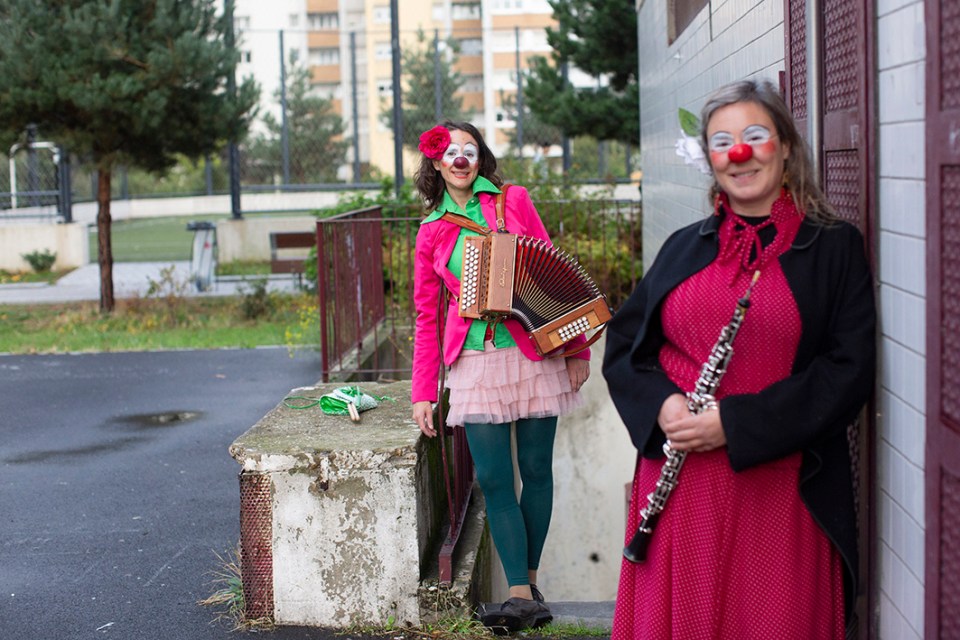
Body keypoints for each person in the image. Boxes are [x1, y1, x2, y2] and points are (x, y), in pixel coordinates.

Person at [602, 79, 876, 639]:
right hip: (680, 495)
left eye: (754, 135)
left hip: (779, 493)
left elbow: (848, 371)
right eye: (723, 142)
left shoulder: (833, 247)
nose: (740, 154)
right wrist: (662, 406)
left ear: (787, 148)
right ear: (711, 160)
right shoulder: (685, 245)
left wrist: (734, 423)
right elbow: (626, 347)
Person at [410, 120, 591, 634]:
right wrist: (424, 391)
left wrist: (576, 348)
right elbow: (426, 316)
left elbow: (552, 273)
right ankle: (523, 595)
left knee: (535, 469)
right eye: (450, 151)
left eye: (469, 149)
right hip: (473, 361)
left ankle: (522, 590)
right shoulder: (431, 231)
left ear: (480, 157)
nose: (459, 158)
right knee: (493, 479)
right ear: (437, 163)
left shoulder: (512, 201)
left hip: (533, 354)